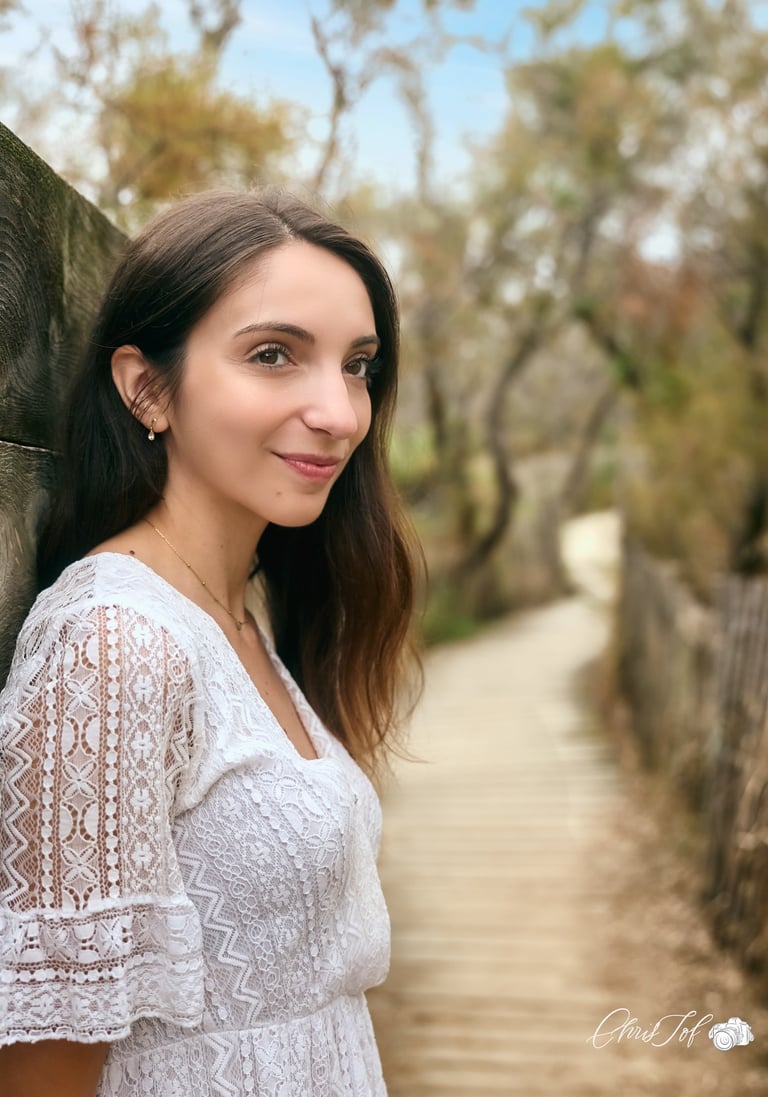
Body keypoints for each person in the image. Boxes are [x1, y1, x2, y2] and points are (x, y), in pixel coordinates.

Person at [0, 188, 422, 1097]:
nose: (342, 413)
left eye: (357, 366)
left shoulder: (242, 618)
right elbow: (45, 1069)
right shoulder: (114, 647)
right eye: (274, 355)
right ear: (146, 386)